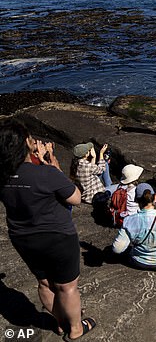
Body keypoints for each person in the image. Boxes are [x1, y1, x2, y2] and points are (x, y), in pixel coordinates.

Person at [0, 119, 96, 340]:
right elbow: (75, 198)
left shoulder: (2, 176)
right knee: (67, 287)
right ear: (25, 143)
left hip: (22, 237)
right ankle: (76, 329)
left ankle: (61, 323)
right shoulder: (46, 174)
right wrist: (51, 162)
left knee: (45, 282)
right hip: (57, 237)